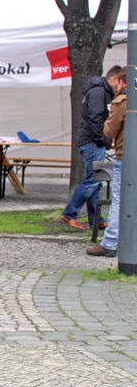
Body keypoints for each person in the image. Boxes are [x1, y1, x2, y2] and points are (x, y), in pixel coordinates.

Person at [60, 65, 121, 230]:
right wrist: (104, 139)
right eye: (120, 82)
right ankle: (70, 213)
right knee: (93, 181)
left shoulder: (101, 92)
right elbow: (96, 119)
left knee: (97, 182)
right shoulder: (98, 92)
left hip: (95, 142)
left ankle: (97, 220)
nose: (120, 87)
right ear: (114, 78)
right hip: (94, 143)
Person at [88, 69, 126, 257]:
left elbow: (109, 131)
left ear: (121, 82)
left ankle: (110, 242)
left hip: (125, 156)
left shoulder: (122, 101)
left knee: (118, 200)